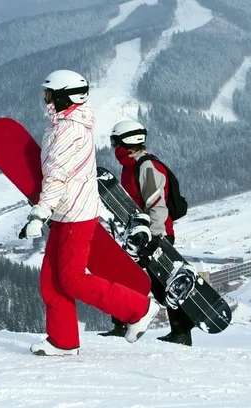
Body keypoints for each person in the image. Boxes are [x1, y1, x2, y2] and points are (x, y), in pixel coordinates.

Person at [21, 70, 160, 356]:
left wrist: (39, 215)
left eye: (49, 95)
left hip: (76, 215)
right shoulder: (62, 125)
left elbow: (57, 176)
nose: (45, 100)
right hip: (65, 213)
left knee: (72, 279)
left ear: (63, 97)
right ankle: (63, 341)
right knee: (51, 280)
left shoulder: (70, 131)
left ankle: (140, 309)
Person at [99, 120, 194, 346]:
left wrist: (155, 238)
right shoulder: (130, 167)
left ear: (128, 142)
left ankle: (181, 332)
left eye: (115, 142)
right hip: (140, 235)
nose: (113, 147)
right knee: (126, 276)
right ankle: (122, 324)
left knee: (163, 283)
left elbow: (156, 205)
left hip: (155, 235)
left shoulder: (147, 167)